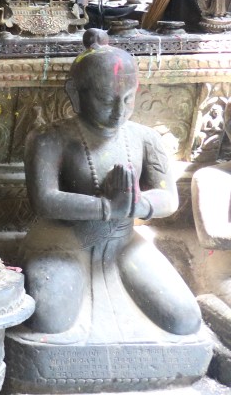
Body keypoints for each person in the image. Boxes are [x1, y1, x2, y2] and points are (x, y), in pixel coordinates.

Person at [20, 28, 201, 339]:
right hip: (63, 239)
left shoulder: (145, 138)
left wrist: (138, 204)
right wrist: (106, 207)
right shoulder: (49, 137)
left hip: (124, 242)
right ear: (76, 94)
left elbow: (168, 198)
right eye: (106, 100)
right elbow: (45, 200)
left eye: (128, 99)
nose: (119, 111)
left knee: (185, 320)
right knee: (49, 319)